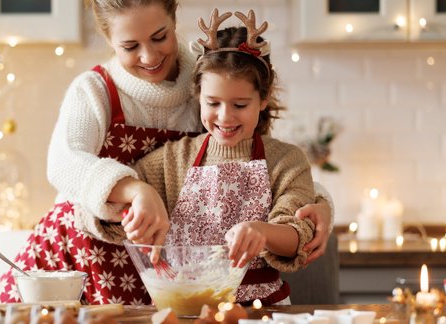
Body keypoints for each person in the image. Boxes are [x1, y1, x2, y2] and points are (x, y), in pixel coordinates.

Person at [0, 0, 333, 305]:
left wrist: (318, 207)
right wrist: (136, 190)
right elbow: (63, 163)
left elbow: (262, 161)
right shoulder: (95, 90)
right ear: (109, 40)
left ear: (174, 19)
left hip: (164, 274)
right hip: (86, 255)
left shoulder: (213, 76)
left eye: (159, 37)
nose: (149, 56)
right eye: (130, 46)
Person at [79, 8, 315, 305]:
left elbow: (298, 234)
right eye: (213, 102)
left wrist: (263, 233)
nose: (225, 116)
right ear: (198, 96)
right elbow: (91, 209)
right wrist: (129, 213)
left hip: (260, 310)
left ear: (263, 99)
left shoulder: (286, 161)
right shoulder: (171, 160)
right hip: (183, 308)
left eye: (240, 104)